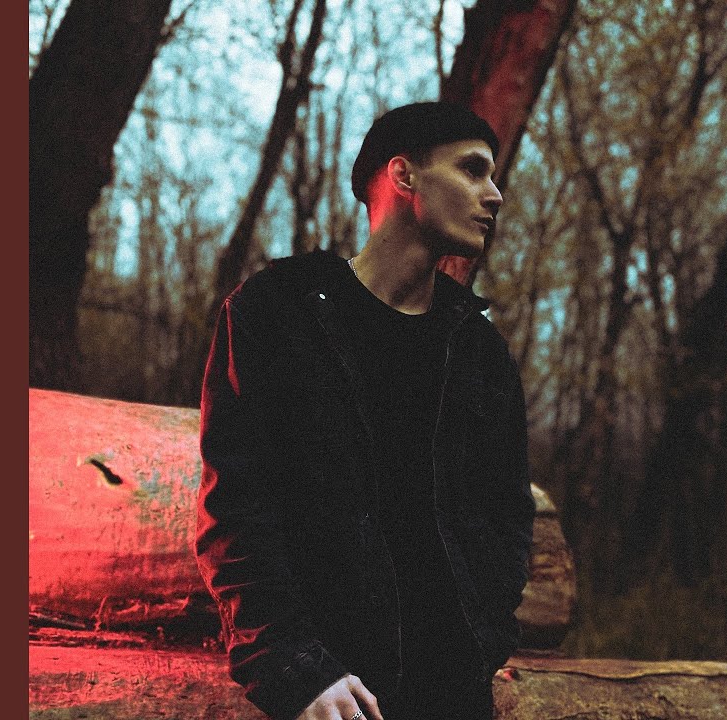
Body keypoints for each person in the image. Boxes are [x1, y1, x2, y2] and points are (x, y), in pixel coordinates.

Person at [196, 102, 535, 720]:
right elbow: (234, 511)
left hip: (453, 698)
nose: (495, 195)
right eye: (472, 170)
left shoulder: (478, 352)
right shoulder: (278, 314)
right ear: (403, 176)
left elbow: (507, 518)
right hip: (333, 698)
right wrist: (294, 666)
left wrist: (482, 642)